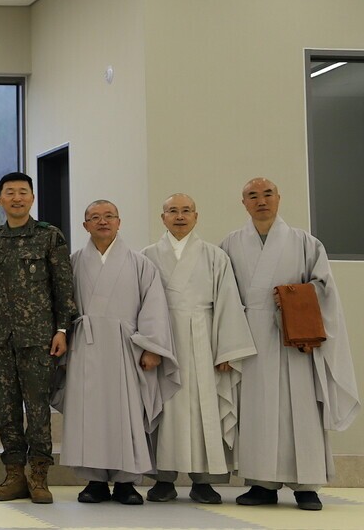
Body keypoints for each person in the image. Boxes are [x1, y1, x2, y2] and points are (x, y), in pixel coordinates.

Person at [221, 178, 358, 511]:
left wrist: (301, 310)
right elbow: (223, 297)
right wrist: (226, 345)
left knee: (301, 408)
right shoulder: (230, 244)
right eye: (253, 196)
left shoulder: (305, 243)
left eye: (267, 194)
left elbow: (324, 289)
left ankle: (306, 484)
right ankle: (261, 482)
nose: (261, 201)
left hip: (296, 338)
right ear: (244, 203)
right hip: (249, 337)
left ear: (279, 198)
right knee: (255, 408)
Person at [61, 200, 178, 506]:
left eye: (109, 216)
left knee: (127, 413)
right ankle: (95, 480)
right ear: (85, 225)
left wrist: (152, 348)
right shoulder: (73, 262)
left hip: (126, 349)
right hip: (85, 347)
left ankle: (127, 482)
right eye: (95, 217)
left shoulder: (139, 263)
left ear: (119, 222)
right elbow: (62, 305)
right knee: (89, 415)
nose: (103, 222)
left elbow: (153, 307)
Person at [141, 194, 255, 504]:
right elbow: (139, 304)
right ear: (162, 217)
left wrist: (227, 351)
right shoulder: (147, 256)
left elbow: (228, 303)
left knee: (205, 407)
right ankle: (163, 477)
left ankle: (203, 479)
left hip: (202, 339)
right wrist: (146, 346)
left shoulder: (214, 256)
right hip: (162, 340)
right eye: (173, 211)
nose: (180, 216)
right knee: (164, 406)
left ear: (196, 216)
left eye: (186, 211)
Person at [0, 172, 77, 504]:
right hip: (1, 341)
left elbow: (64, 287)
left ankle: (39, 475)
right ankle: (13, 475)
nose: (17, 198)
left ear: (32, 198)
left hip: (39, 339)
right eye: (10, 193)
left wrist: (63, 329)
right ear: (0, 199)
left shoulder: (50, 237)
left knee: (37, 411)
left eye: (23, 192)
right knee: (5, 411)